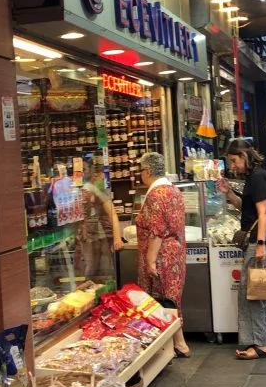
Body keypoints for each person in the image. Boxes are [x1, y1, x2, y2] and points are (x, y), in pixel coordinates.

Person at [217, 139, 266, 360]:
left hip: (259, 241)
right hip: (262, 240)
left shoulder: (257, 177)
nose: (232, 166)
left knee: (250, 294)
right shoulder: (255, 178)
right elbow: (248, 208)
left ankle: (258, 344)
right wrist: (229, 193)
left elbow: (263, 214)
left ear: (244, 155)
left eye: (234, 160)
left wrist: (260, 244)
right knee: (263, 292)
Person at [135, 152, 189, 356]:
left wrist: (150, 262)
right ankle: (176, 342)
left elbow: (157, 232)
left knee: (160, 300)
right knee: (172, 297)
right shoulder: (173, 190)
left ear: (148, 172)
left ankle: (177, 343)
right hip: (176, 253)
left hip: (161, 255)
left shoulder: (156, 195)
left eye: (141, 171)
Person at [78, 155, 123, 279]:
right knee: (91, 266)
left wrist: (117, 238)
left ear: (92, 169)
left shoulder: (97, 186)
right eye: (79, 170)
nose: (82, 173)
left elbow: (112, 212)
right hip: (88, 234)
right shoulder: (80, 188)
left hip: (101, 233)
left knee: (100, 267)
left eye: (84, 169)